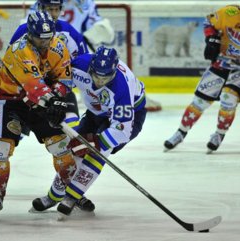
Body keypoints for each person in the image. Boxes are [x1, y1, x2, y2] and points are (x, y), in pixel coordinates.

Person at [0, 0, 95, 214]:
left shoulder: (58, 44)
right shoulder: (20, 50)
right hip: (9, 100)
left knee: (61, 148)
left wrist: (57, 98)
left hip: (38, 100)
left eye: (47, 39)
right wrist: (52, 101)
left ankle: (72, 193)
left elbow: (65, 80)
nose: (44, 44)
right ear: (29, 35)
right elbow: (33, 86)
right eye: (39, 40)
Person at [55, 46, 147, 217]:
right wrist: (55, 102)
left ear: (113, 73)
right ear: (91, 67)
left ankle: (72, 196)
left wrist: (95, 142)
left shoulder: (121, 87)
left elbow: (122, 131)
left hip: (131, 117)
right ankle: (54, 194)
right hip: (96, 111)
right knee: (74, 149)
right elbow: (61, 84)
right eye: (96, 76)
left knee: (98, 151)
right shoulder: (79, 64)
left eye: (105, 78)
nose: (99, 81)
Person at [164, 5, 240, 154]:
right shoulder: (230, 12)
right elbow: (209, 22)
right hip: (221, 63)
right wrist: (212, 39)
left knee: (228, 100)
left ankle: (219, 134)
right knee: (199, 102)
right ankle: (181, 132)